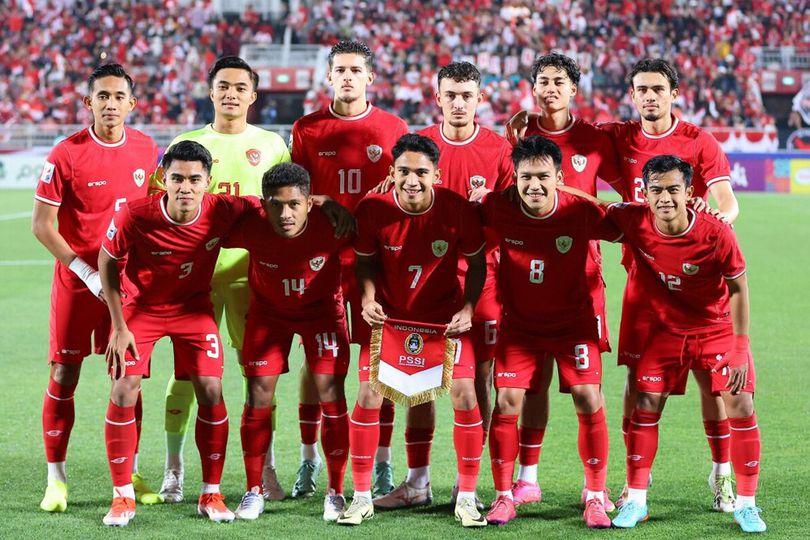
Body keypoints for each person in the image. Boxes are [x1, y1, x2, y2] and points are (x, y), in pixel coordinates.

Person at [509, 58, 741, 512]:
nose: (650, 97)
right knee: (638, 386)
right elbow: (564, 140)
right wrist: (525, 121)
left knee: (713, 387)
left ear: (675, 92)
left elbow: (726, 203)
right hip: (644, 279)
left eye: (658, 88)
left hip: (697, 284)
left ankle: (722, 475)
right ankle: (637, 484)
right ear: (631, 96)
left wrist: (709, 228)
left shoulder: (700, 142)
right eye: (641, 90)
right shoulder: (617, 137)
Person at [372, 60, 513, 511]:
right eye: (450, 94)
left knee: (480, 378)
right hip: (422, 283)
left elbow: (513, 213)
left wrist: (489, 204)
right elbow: (387, 202)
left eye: (466, 95)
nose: (458, 102)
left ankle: (472, 482)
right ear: (437, 97)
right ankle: (418, 482)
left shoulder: (498, 150)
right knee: (418, 377)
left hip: (481, 280)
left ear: (480, 99)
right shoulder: (417, 148)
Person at [601, 155, 765, 534]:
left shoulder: (717, 231)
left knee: (739, 403)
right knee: (644, 404)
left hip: (715, 328)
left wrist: (740, 346)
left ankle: (747, 504)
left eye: (674, 189)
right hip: (663, 332)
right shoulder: (633, 220)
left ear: (690, 192)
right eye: (656, 190)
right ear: (645, 193)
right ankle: (637, 500)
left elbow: (739, 288)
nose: (664, 198)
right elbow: (584, 210)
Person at [97, 141, 255, 527]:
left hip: (193, 310)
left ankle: (210, 492)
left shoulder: (224, 209)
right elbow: (106, 262)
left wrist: (323, 203)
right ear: (161, 178)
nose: (185, 187)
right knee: (123, 388)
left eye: (194, 179)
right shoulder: (135, 214)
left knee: (212, 389)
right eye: (177, 178)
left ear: (209, 182)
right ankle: (122, 497)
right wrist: (118, 327)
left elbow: (279, 204)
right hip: (141, 310)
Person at [158, 56, 291, 504]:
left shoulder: (272, 144)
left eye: (240, 87)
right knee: (186, 377)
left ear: (253, 95)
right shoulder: (186, 142)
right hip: (192, 281)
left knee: (259, 377)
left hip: (250, 280)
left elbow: (285, 208)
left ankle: (266, 469)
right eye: (223, 86)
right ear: (210, 91)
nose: (231, 93)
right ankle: (173, 469)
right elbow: (165, 210)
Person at [337, 134, 487, 527]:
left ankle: (467, 496)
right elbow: (365, 264)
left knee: (464, 391)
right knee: (369, 394)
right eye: (403, 171)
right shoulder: (372, 209)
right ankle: (361, 496)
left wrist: (469, 307)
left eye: (421, 172)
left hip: (444, 320)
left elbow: (477, 265)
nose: (412, 180)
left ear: (436, 175)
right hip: (391, 320)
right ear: (392, 173)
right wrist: (367, 300)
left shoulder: (457, 211)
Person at [32, 63, 159, 513]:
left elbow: (153, 215)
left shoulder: (147, 149)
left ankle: (132, 471)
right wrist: (83, 271)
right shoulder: (65, 154)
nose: (109, 103)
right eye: (100, 96)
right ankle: (56, 479)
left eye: (117, 96)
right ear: (88, 103)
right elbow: (42, 226)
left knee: (130, 379)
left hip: (126, 287)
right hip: (76, 281)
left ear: (132, 103)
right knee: (64, 375)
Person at [482, 136, 622, 528]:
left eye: (544, 177)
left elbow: (632, 226)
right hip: (520, 325)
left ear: (559, 178)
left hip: (573, 324)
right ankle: (504, 495)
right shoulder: (498, 208)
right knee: (507, 400)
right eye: (526, 178)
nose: (534, 186)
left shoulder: (581, 211)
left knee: (588, 397)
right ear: (515, 178)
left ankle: (595, 495)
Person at [290, 40, 409, 498]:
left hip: (379, 265)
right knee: (320, 365)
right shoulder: (307, 128)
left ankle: (382, 461)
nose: (346, 77)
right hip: (320, 264)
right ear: (328, 76)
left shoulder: (393, 127)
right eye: (339, 69)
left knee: (381, 365)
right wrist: (323, 202)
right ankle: (308, 459)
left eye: (355, 70)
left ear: (369, 77)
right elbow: (293, 194)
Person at [503, 52, 622, 509]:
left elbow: (629, 192)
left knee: (585, 386)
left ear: (575, 89)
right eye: (542, 81)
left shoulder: (593, 139)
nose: (549, 88)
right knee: (528, 383)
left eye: (559, 81)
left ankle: (596, 486)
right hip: (526, 273)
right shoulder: (517, 136)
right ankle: (527, 478)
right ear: (533, 88)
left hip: (580, 274)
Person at [224, 163, 351, 522]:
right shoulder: (250, 226)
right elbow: (209, 223)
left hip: (323, 313)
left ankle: (336, 492)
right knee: (258, 395)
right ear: (264, 204)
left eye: (294, 204)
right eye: (276, 205)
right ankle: (254, 490)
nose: (286, 214)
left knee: (331, 394)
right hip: (269, 315)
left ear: (310, 202)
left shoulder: (334, 224)